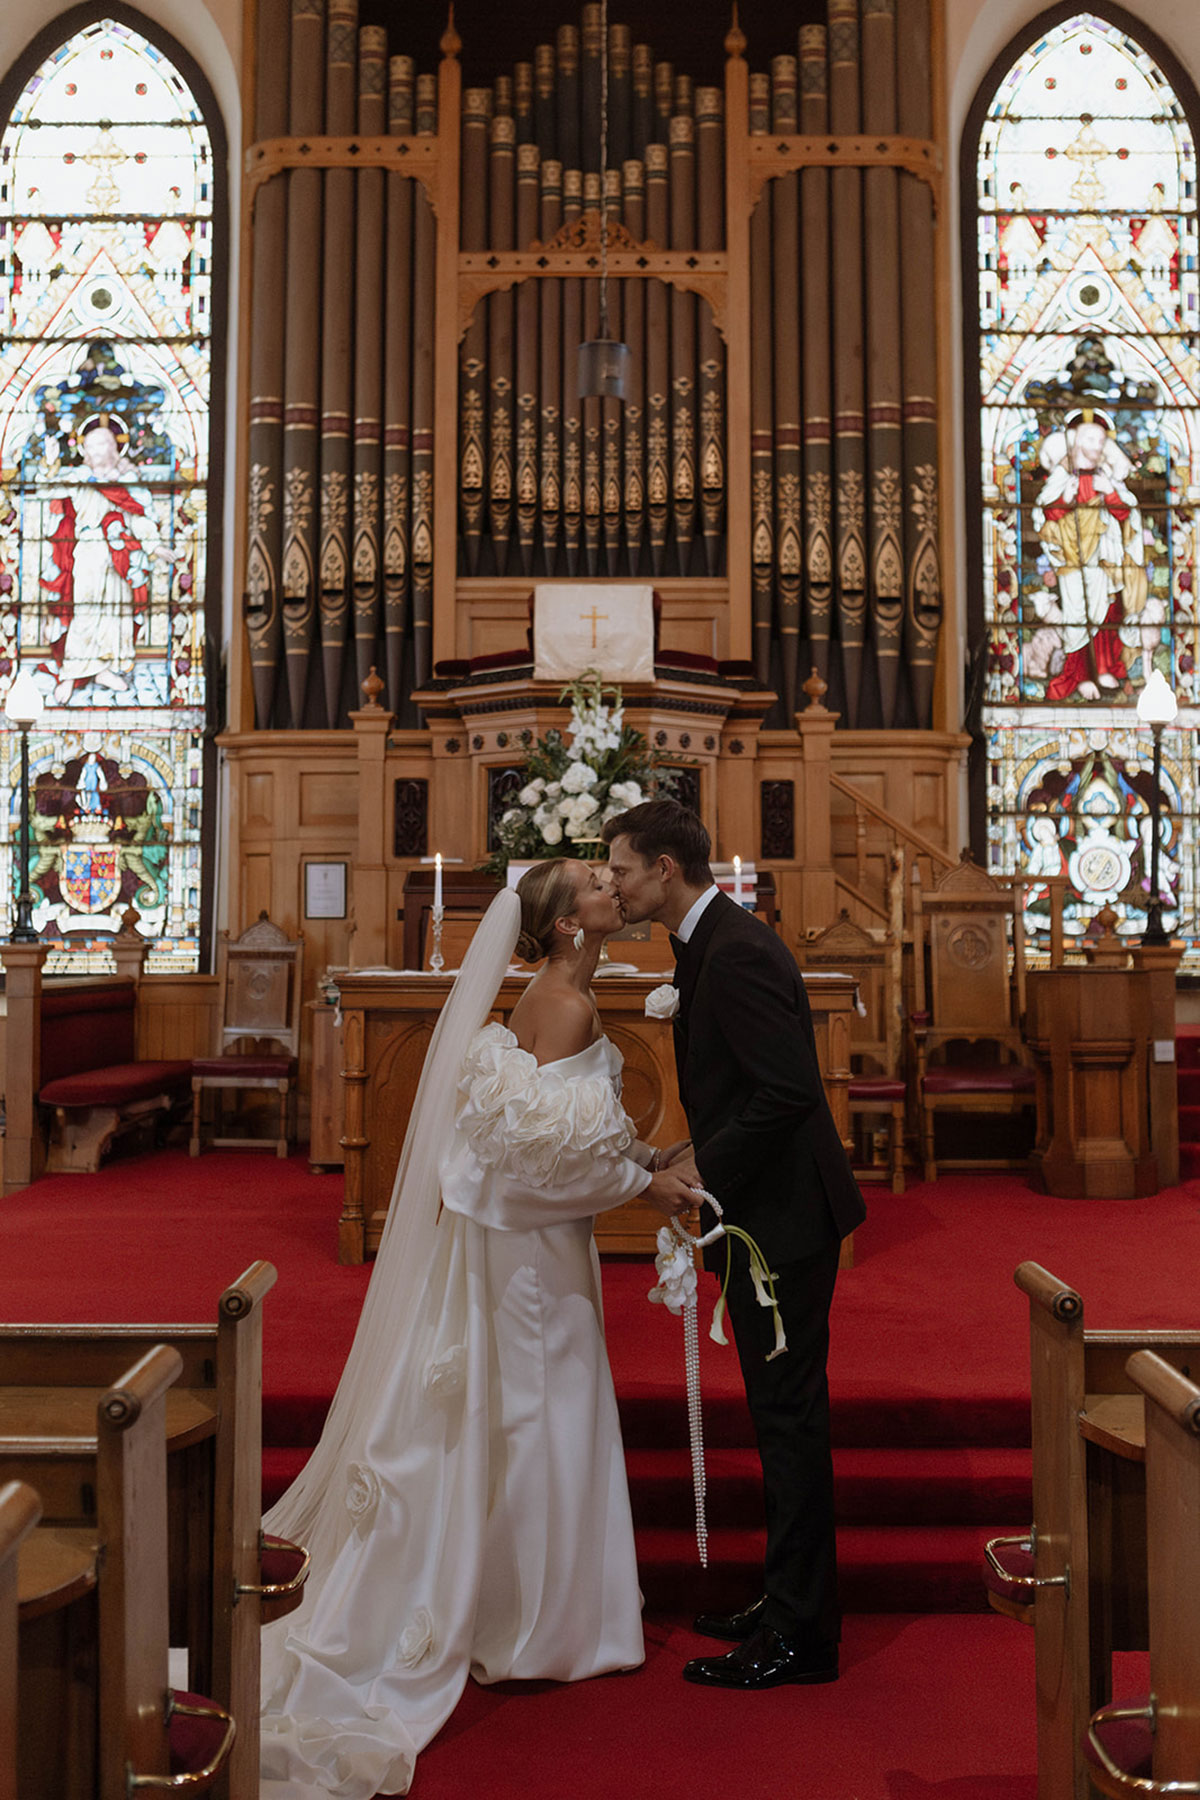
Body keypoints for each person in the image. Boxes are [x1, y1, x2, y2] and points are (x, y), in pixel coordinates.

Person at [259, 859, 695, 1798]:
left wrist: (644, 1158)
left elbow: (558, 1134)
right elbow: (541, 1169)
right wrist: (641, 1184)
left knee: (526, 1418)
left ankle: (525, 1609)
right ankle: (539, 1625)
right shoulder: (567, 1007)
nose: (613, 889)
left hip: (521, 1247)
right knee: (543, 1414)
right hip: (533, 1258)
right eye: (593, 885)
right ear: (568, 925)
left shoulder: (547, 996)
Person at [603, 798, 866, 1691]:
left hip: (785, 1221)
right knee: (777, 1416)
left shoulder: (739, 951)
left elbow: (788, 1091)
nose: (617, 884)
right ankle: (788, 1599)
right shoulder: (715, 943)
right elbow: (745, 1088)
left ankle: (803, 1636)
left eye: (623, 869)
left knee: (790, 1421)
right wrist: (685, 1151)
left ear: (666, 870)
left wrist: (699, 1170)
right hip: (765, 1210)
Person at [1030, 406, 1146, 702]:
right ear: (1076, 441)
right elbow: (1045, 515)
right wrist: (1066, 498)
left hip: (1105, 560)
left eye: (1101, 440)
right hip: (1072, 561)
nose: (1098, 446)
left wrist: (1109, 492)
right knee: (1077, 615)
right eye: (1092, 439)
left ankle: (1106, 667)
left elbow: (1126, 515)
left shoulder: (1108, 478)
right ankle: (1080, 676)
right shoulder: (1061, 477)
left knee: (1108, 611)